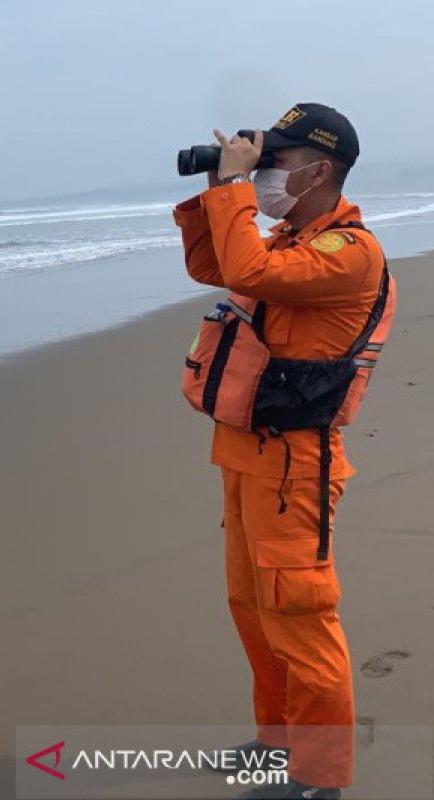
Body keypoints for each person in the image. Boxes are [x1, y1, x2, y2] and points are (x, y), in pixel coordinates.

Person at [174, 103, 391, 800]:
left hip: (296, 463)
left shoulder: (349, 253)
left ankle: (317, 778)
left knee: (297, 614)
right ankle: (277, 746)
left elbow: (251, 271)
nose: (267, 174)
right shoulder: (287, 238)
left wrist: (238, 187)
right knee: (253, 608)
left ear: (320, 170)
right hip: (245, 453)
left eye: (280, 162)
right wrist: (220, 186)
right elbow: (213, 262)